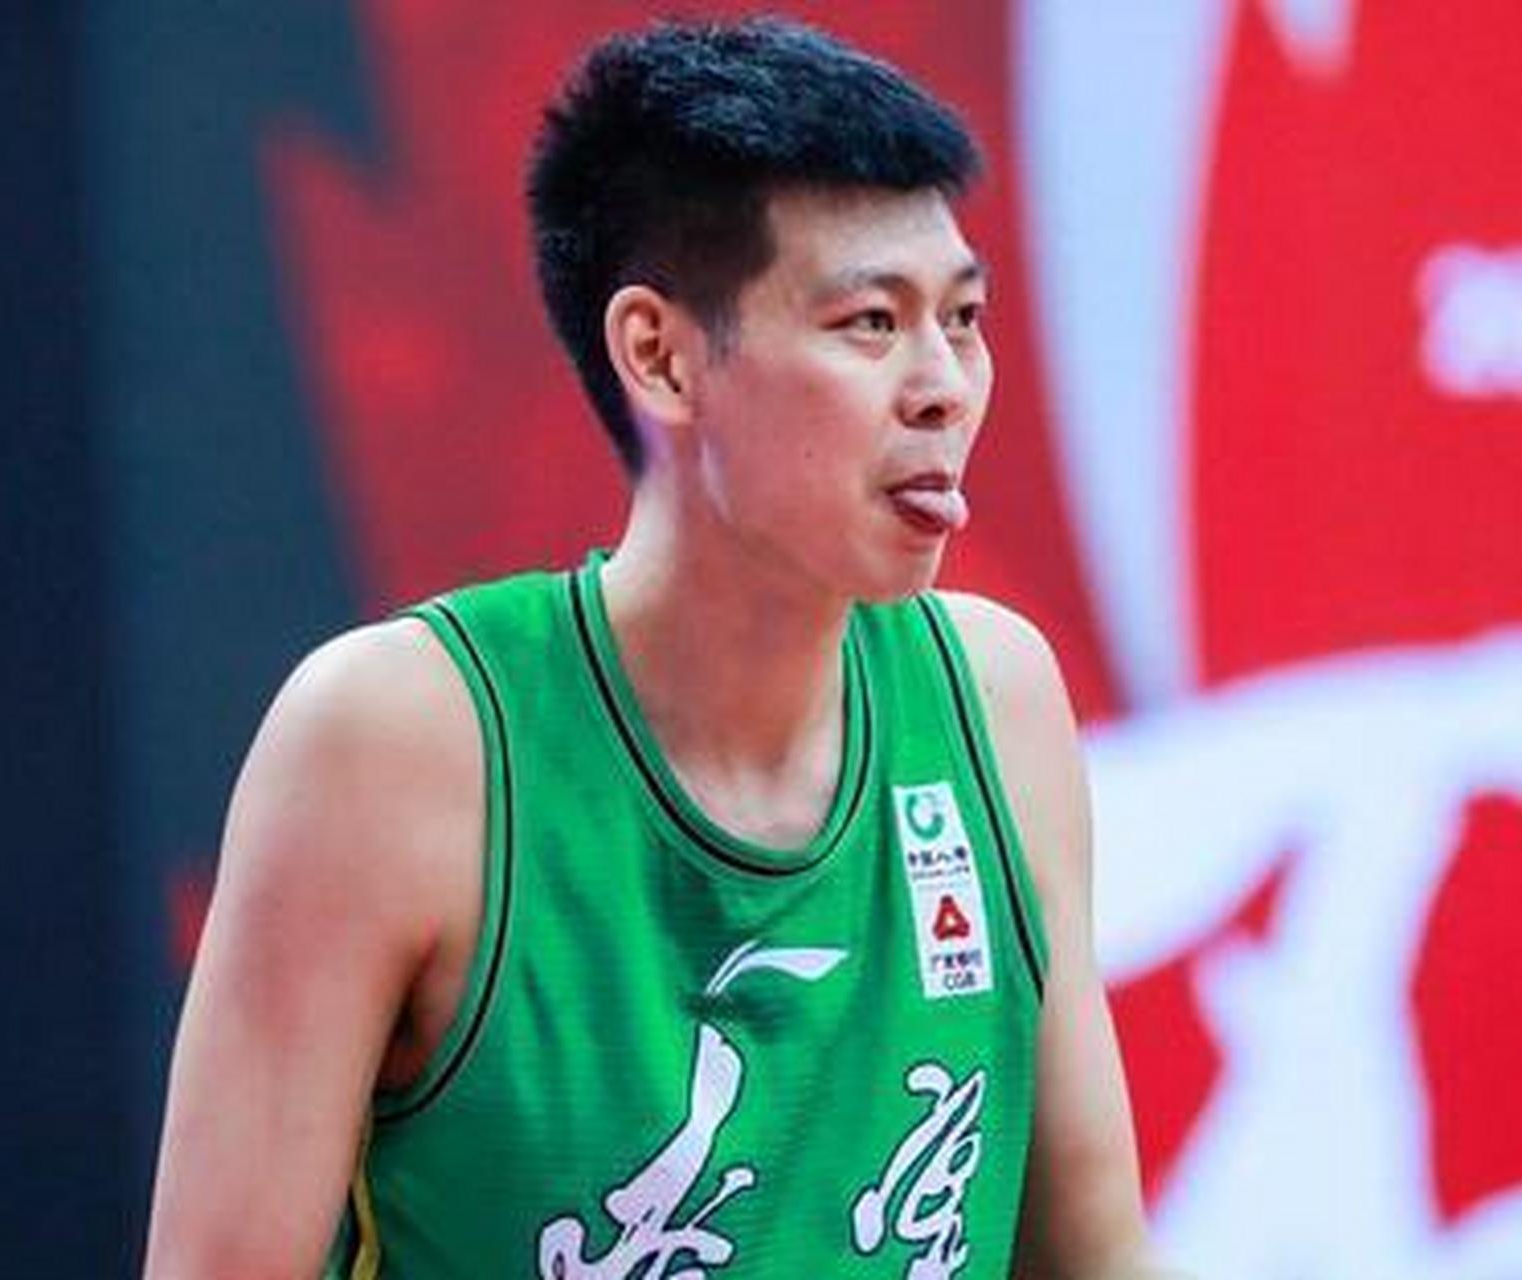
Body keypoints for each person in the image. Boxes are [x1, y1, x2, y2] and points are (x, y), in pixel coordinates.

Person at [145, 18, 1179, 1278]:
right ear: (661, 356)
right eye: (870, 322)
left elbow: (1094, 1254)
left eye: (961, 318)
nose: (944, 385)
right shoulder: (393, 743)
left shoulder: (993, 701)